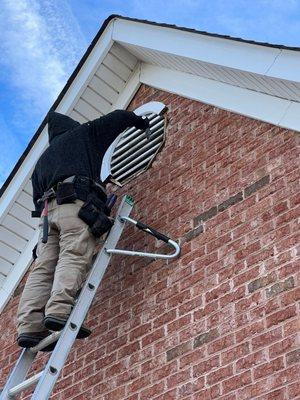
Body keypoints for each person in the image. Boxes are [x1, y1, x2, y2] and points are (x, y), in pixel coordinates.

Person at [16, 109, 149, 350]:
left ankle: (29, 326)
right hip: (74, 204)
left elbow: (37, 203)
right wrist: (141, 123)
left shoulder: (42, 162)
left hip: (46, 218)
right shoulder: (83, 133)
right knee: (74, 253)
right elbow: (119, 117)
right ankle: (58, 311)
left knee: (43, 268)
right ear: (71, 125)